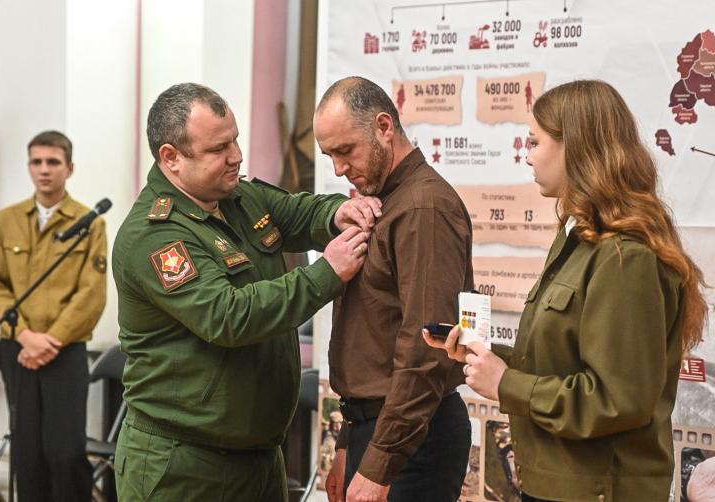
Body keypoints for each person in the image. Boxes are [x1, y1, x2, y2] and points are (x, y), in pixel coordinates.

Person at [424, 79, 708, 502]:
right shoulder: (578, 241)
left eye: (534, 142)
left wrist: (506, 385)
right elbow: (560, 363)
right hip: (556, 485)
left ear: (574, 147)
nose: (527, 155)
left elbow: (617, 400)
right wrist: (484, 354)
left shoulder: (624, 258)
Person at [112, 82, 379, 501]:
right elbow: (228, 316)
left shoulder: (237, 197)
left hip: (258, 458)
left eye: (235, 140)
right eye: (219, 148)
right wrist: (327, 273)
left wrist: (337, 212)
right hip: (183, 466)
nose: (236, 155)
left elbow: (297, 211)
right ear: (171, 158)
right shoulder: (155, 236)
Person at [314, 76, 474, 502]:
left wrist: (379, 464)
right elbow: (373, 335)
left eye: (345, 151)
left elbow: (426, 348)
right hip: (376, 428)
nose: (339, 169)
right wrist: (348, 442)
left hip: (413, 439)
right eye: (330, 156)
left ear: (384, 127)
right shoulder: (385, 199)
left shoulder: (423, 206)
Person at [0, 130, 107, 502]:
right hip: (18, 350)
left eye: (53, 162)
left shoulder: (89, 223)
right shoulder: (5, 221)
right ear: (28, 167)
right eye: (36, 162)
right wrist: (25, 336)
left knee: (65, 452)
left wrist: (50, 341)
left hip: (64, 351)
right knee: (27, 454)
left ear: (69, 168)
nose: (44, 169)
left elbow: (91, 294)